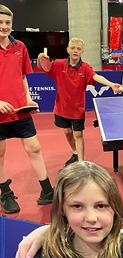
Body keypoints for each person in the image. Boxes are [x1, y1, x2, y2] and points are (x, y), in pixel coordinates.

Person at [0, 4, 54, 214]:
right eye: (1, 23)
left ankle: (47, 190)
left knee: (34, 148)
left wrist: (29, 98)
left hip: (20, 109)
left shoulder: (19, 47)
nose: (4, 26)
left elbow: (22, 77)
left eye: (7, 23)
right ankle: (5, 192)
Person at [37, 37, 122, 165]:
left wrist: (111, 84)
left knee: (78, 135)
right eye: (73, 48)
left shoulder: (85, 67)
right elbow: (45, 67)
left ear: (82, 51)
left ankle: (81, 163)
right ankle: (75, 152)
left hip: (77, 109)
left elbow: (96, 76)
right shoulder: (59, 64)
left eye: (78, 49)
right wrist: (40, 59)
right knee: (67, 132)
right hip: (61, 107)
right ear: (68, 50)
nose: (75, 51)